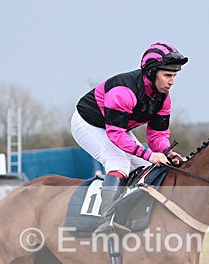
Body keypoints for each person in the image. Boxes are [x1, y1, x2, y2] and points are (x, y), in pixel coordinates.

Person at [71, 42, 188, 233]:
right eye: (167, 75)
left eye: (174, 76)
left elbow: (157, 135)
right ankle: (106, 220)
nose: (172, 81)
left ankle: (132, 218)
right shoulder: (123, 92)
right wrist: (149, 154)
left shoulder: (163, 98)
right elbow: (115, 134)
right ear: (151, 72)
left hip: (116, 128)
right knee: (118, 163)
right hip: (88, 124)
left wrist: (166, 152)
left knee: (147, 168)